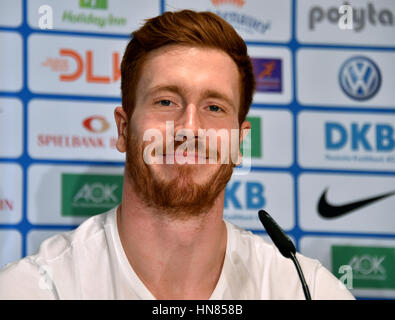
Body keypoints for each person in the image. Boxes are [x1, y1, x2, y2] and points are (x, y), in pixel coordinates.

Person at [0, 10, 354, 300]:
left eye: (214, 107)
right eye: (166, 101)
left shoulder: (305, 290)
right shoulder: (36, 289)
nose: (189, 128)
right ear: (124, 130)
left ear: (240, 143)